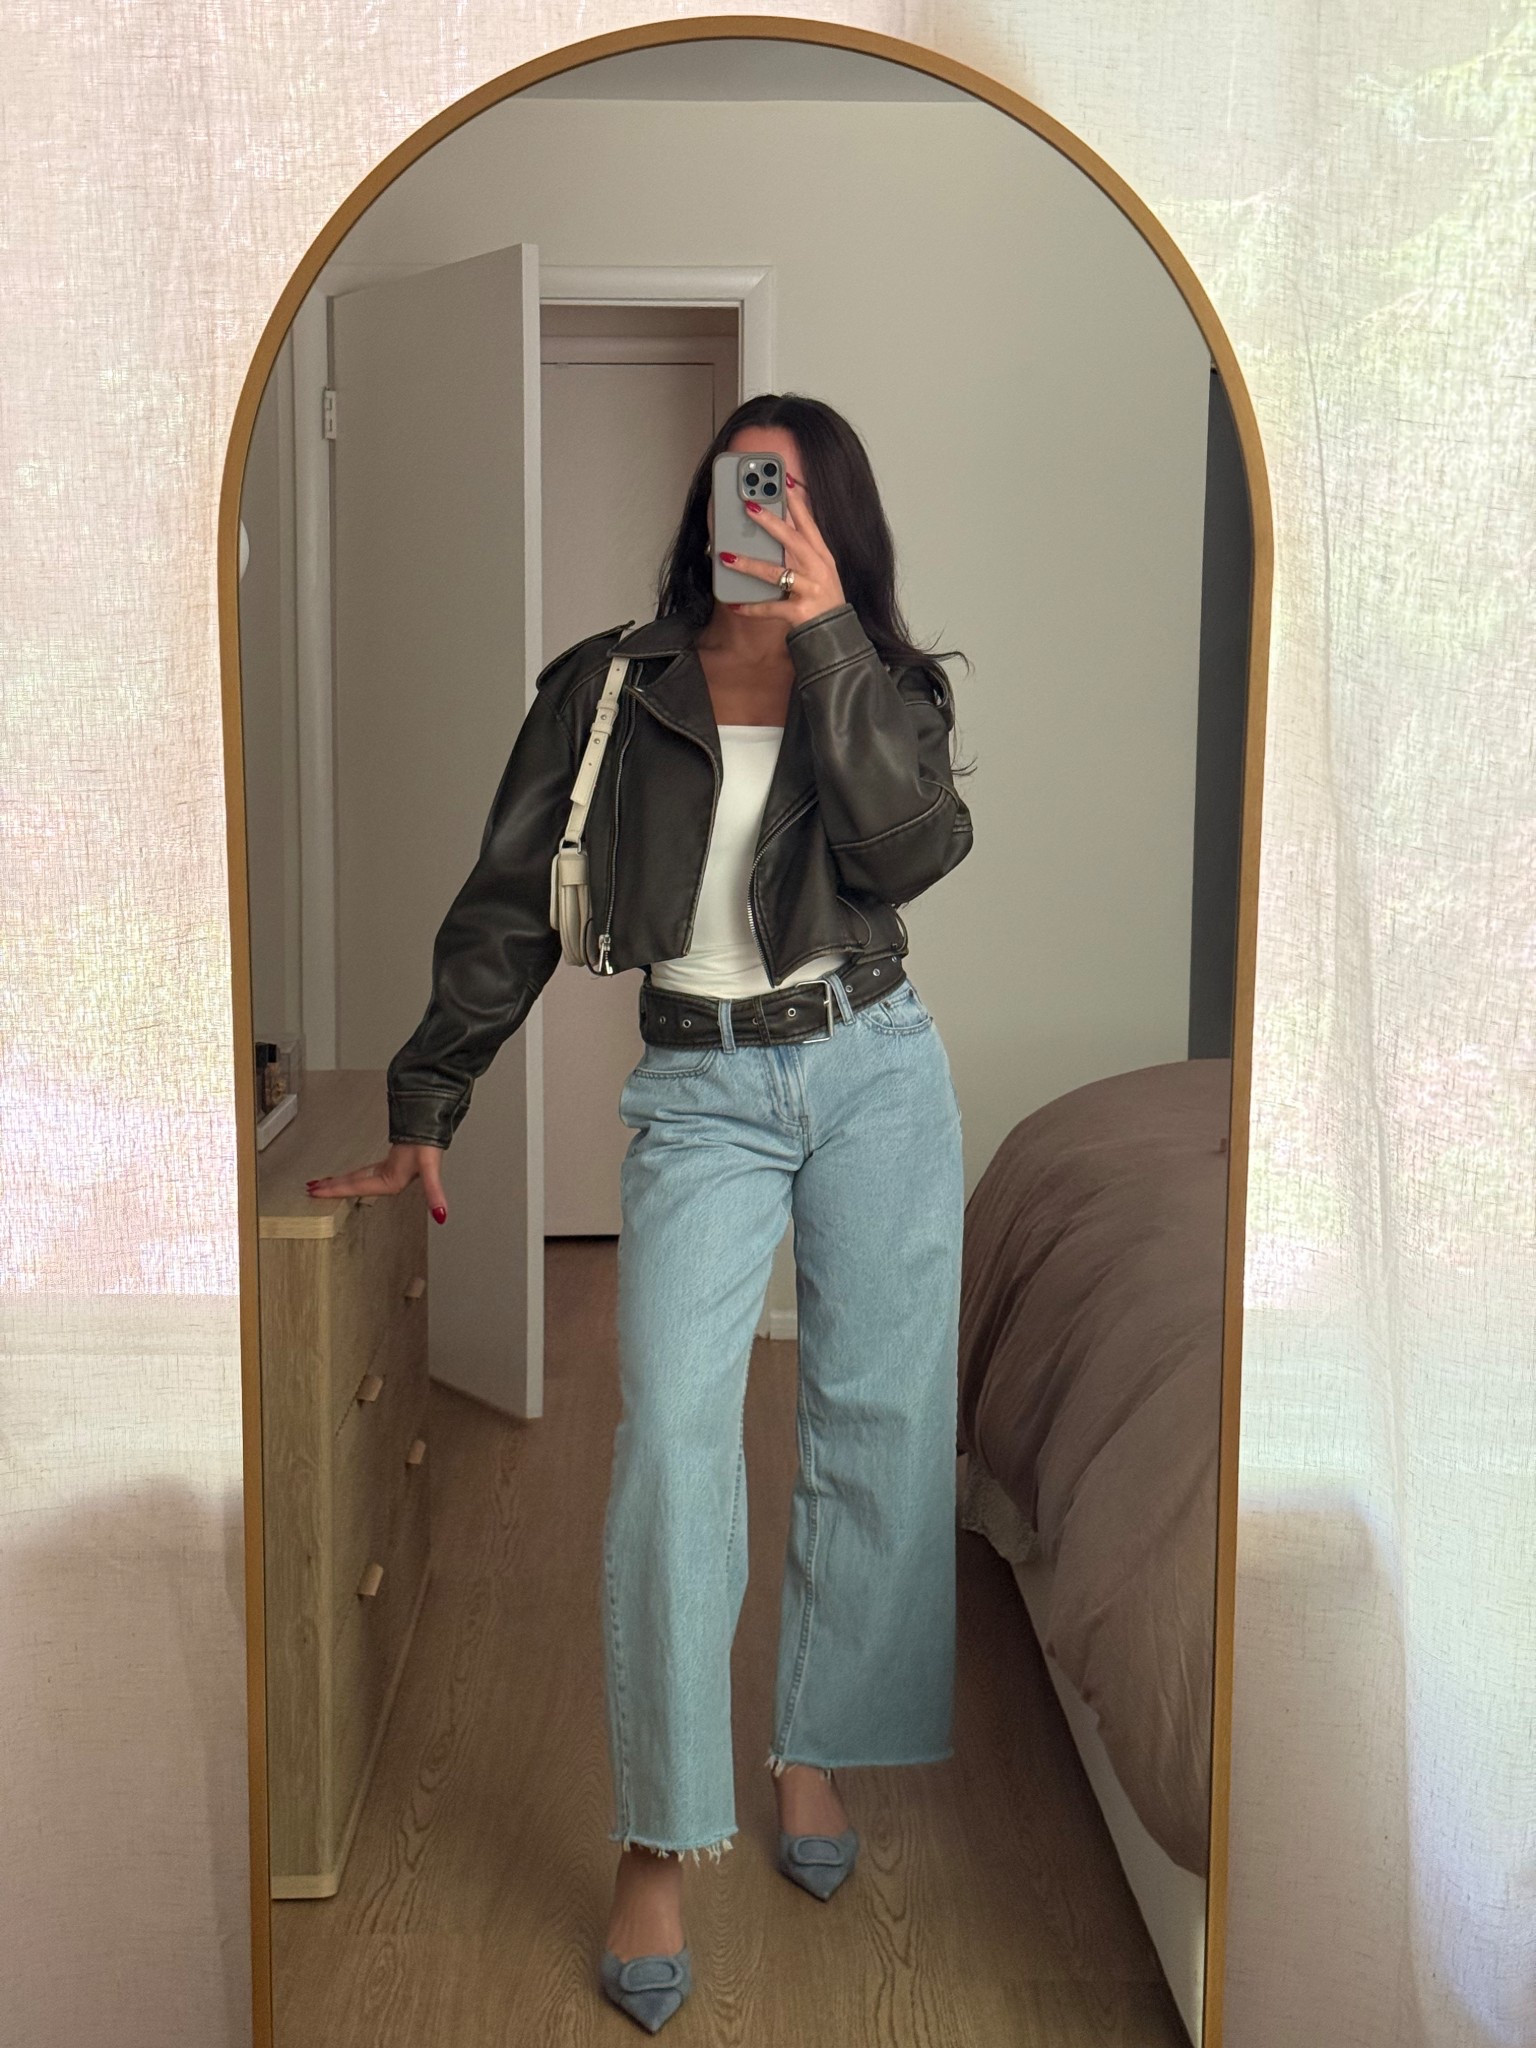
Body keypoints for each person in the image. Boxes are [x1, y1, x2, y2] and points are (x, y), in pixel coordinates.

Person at [305, 393, 975, 2033]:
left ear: (839, 518)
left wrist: (828, 643)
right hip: (702, 1090)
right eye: (747, 485)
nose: (766, 514)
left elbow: (908, 854)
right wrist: (425, 1099)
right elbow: (506, 905)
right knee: (675, 1440)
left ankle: (813, 1748)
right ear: (707, 501)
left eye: (795, 493)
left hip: (877, 1070)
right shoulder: (607, 688)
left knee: (878, 1422)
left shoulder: (890, 687)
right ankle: (661, 1836)